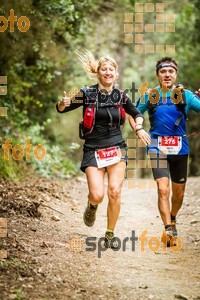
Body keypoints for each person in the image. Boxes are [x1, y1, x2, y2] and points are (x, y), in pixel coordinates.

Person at [56, 50, 150, 248]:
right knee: (97, 195)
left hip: (116, 147)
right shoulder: (87, 94)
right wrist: (63, 104)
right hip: (93, 148)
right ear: (98, 73)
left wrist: (139, 127)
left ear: (116, 74)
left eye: (111, 69)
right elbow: (63, 108)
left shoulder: (121, 95)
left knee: (114, 192)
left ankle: (109, 234)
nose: (107, 72)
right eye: (104, 69)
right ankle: (92, 206)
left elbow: (136, 113)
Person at [129, 57, 200, 245]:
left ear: (176, 74)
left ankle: (173, 217)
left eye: (171, 72)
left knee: (179, 194)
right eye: (163, 72)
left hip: (180, 148)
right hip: (156, 147)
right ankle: (168, 229)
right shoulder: (149, 95)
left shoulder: (185, 95)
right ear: (157, 75)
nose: (167, 75)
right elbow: (133, 113)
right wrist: (139, 129)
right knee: (162, 189)